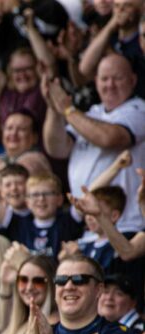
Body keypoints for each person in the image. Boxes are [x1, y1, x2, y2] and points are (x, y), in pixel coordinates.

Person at [43, 54, 145, 235]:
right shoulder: (92, 113)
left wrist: (67, 110)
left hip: (126, 225)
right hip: (89, 227)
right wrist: (54, 108)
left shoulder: (139, 109)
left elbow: (110, 138)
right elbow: (57, 148)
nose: (110, 85)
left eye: (118, 78)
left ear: (133, 80)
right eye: (104, 79)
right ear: (96, 81)